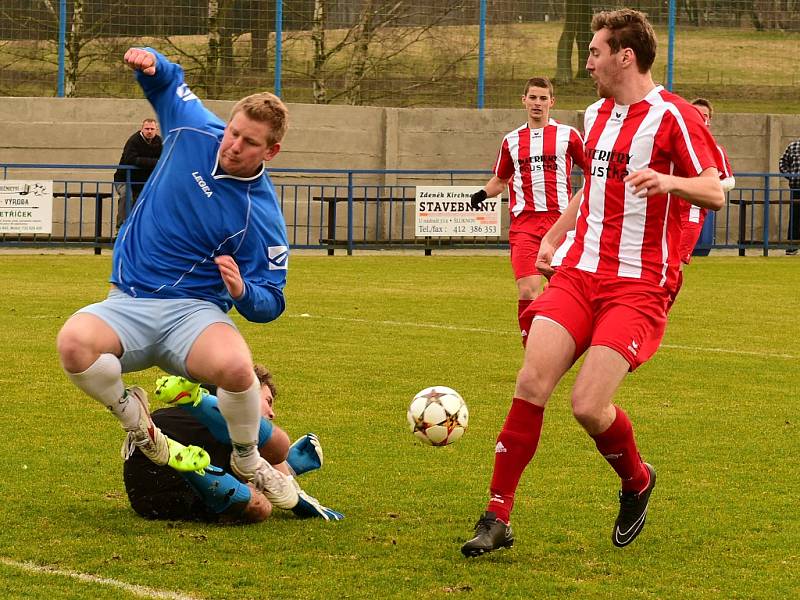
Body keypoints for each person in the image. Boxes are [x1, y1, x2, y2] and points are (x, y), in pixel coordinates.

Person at [460, 8, 724, 557]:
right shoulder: (596, 114)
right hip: (580, 273)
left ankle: (637, 480)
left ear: (625, 56)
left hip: (639, 285)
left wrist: (668, 180)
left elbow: (715, 191)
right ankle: (497, 515)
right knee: (531, 381)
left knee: (587, 405)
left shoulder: (674, 116)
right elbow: (591, 188)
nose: (588, 63)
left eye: (595, 52)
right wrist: (554, 237)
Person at [56, 47, 301, 516]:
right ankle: (139, 424)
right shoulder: (193, 130)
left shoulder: (263, 215)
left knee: (236, 368)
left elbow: (272, 300)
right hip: (128, 302)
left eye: (250, 142)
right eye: (233, 132)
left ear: (271, 151)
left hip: (192, 314)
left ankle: (249, 459)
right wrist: (153, 63)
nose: (233, 145)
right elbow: (168, 84)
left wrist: (243, 292)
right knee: (73, 344)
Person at [124, 366, 342, 523]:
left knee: (253, 461)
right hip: (159, 483)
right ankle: (194, 467)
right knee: (263, 499)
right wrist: (296, 496)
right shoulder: (230, 390)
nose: (272, 413)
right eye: (268, 401)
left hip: (148, 486)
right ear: (254, 386)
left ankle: (192, 462)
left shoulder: (215, 390)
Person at [470, 77, 585, 346]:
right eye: (532, 97)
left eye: (543, 98)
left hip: (560, 223)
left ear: (552, 103)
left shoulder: (568, 136)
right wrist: (482, 194)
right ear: (524, 100)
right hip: (524, 224)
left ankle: (563, 340)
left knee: (563, 288)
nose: (537, 103)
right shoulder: (511, 141)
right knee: (527, 289)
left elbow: (593, 172)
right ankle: (532, 350)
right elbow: (500, 180)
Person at [675, 98, 735, 266]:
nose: (700, 118)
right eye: (695, 113)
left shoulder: (715, 150)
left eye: (704, 115)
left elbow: (729, 181)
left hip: (690, 214)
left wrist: (701, 187)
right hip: (663, 213)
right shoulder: (671, 144)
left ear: (709, 120)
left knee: (676, 263)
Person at [113, 118, 163, 229]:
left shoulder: (159, 142)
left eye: (152, 129)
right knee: (127, 197)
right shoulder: (134, 141)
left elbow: (165, 158)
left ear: (156, 130)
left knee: (154, 200)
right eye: (147, 129)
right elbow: (130, 159)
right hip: (124, 179)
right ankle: (121, 229)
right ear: (142, 129)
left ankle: (146, 231)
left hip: (144, 181)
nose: (149, 131)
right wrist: (155, 162)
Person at [779, 137, 800, 254]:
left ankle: (792, 246)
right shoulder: (793, 146)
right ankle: (792, 246)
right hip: (796, 187)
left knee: (795, 216)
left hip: (795, 185)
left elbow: (782, 163)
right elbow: (782, 162)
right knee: (794, 217)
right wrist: (790, 176)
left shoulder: (793, 146)